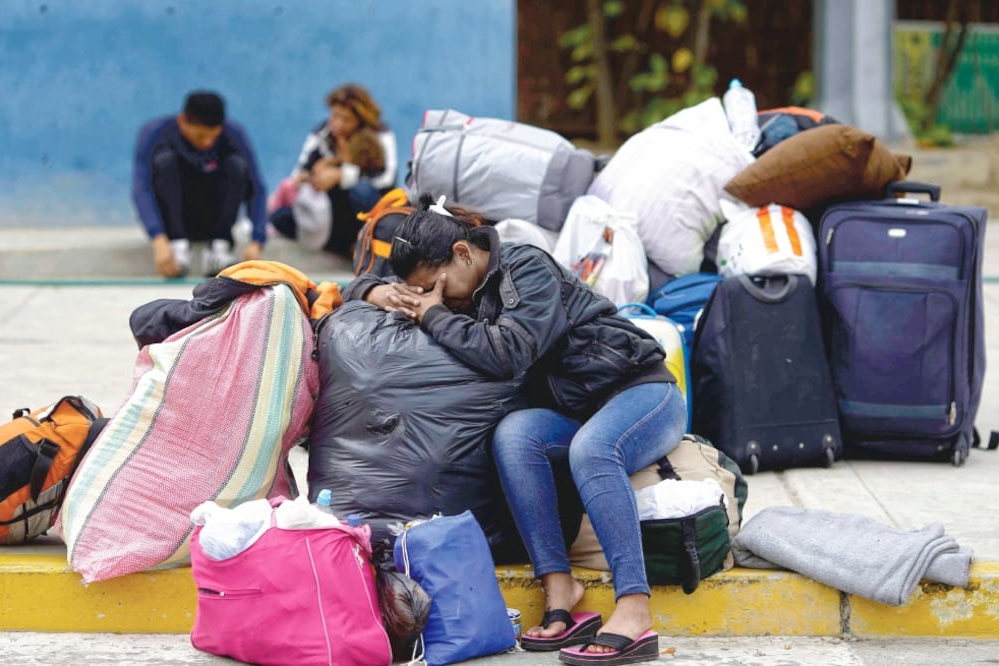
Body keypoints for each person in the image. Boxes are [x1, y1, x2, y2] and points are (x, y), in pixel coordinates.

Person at [343, 195, 685, 666]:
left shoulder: (526, 267)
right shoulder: (455, 278)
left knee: (593, 449)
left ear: (463, 254)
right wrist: (375, 293)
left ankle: (634, 608)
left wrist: (434, 315)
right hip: (579, 410)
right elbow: (352, 285)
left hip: (642, 393)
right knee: (514, 434)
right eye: (424, 293)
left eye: (437, 288)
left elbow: (509, 353)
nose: (436, 298)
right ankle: (560, 584)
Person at [131, 90, 267, 278]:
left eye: (213, 136)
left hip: (214, 218)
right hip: (175, 220)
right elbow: (141, 189)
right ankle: (178, 247)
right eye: (201, 136)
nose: (207, 142)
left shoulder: (234, 134)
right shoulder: (155, 133)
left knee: (236, 165)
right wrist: (158, 239)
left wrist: (257, 240)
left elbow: (257, 189)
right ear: (182, 122)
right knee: (165, 162)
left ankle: (219, 248)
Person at [269, 83, 398, 258]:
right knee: (280, 217)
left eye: (345, 119)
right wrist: (313, 177)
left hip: (366, 211)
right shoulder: (322, 134)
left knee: (361, 191)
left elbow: (386, 178)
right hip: (333, 213)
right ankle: (343, 248)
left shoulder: (379, 134)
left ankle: (370, 246)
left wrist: (341, 175)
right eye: (335, 116)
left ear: (360, 119)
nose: (337, 123)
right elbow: (299, 172)